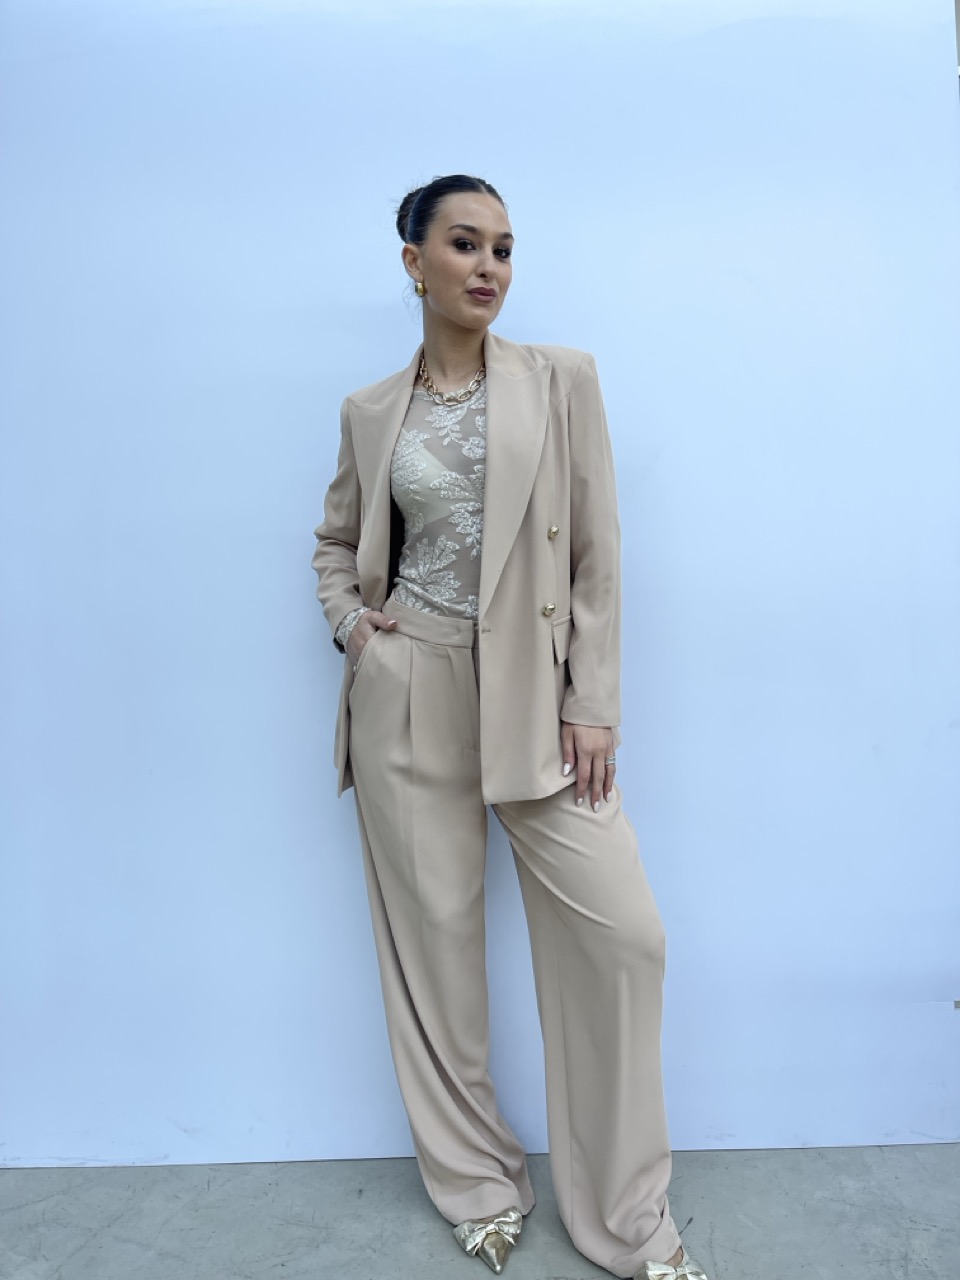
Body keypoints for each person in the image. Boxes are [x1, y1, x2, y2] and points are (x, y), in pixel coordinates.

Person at [311, 174, 709, 1280]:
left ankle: (627, 1216)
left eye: (503, 247)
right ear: (413, 262)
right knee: (434, 952)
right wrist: (355, 627)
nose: (489, 266)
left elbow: (598, 554)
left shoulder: (561, 380)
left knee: (625, 938)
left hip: (540, 700)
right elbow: (335, 543)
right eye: (464, 244)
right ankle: (477, 1182)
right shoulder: (370, 410)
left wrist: (594, 701)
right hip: (411, 689)